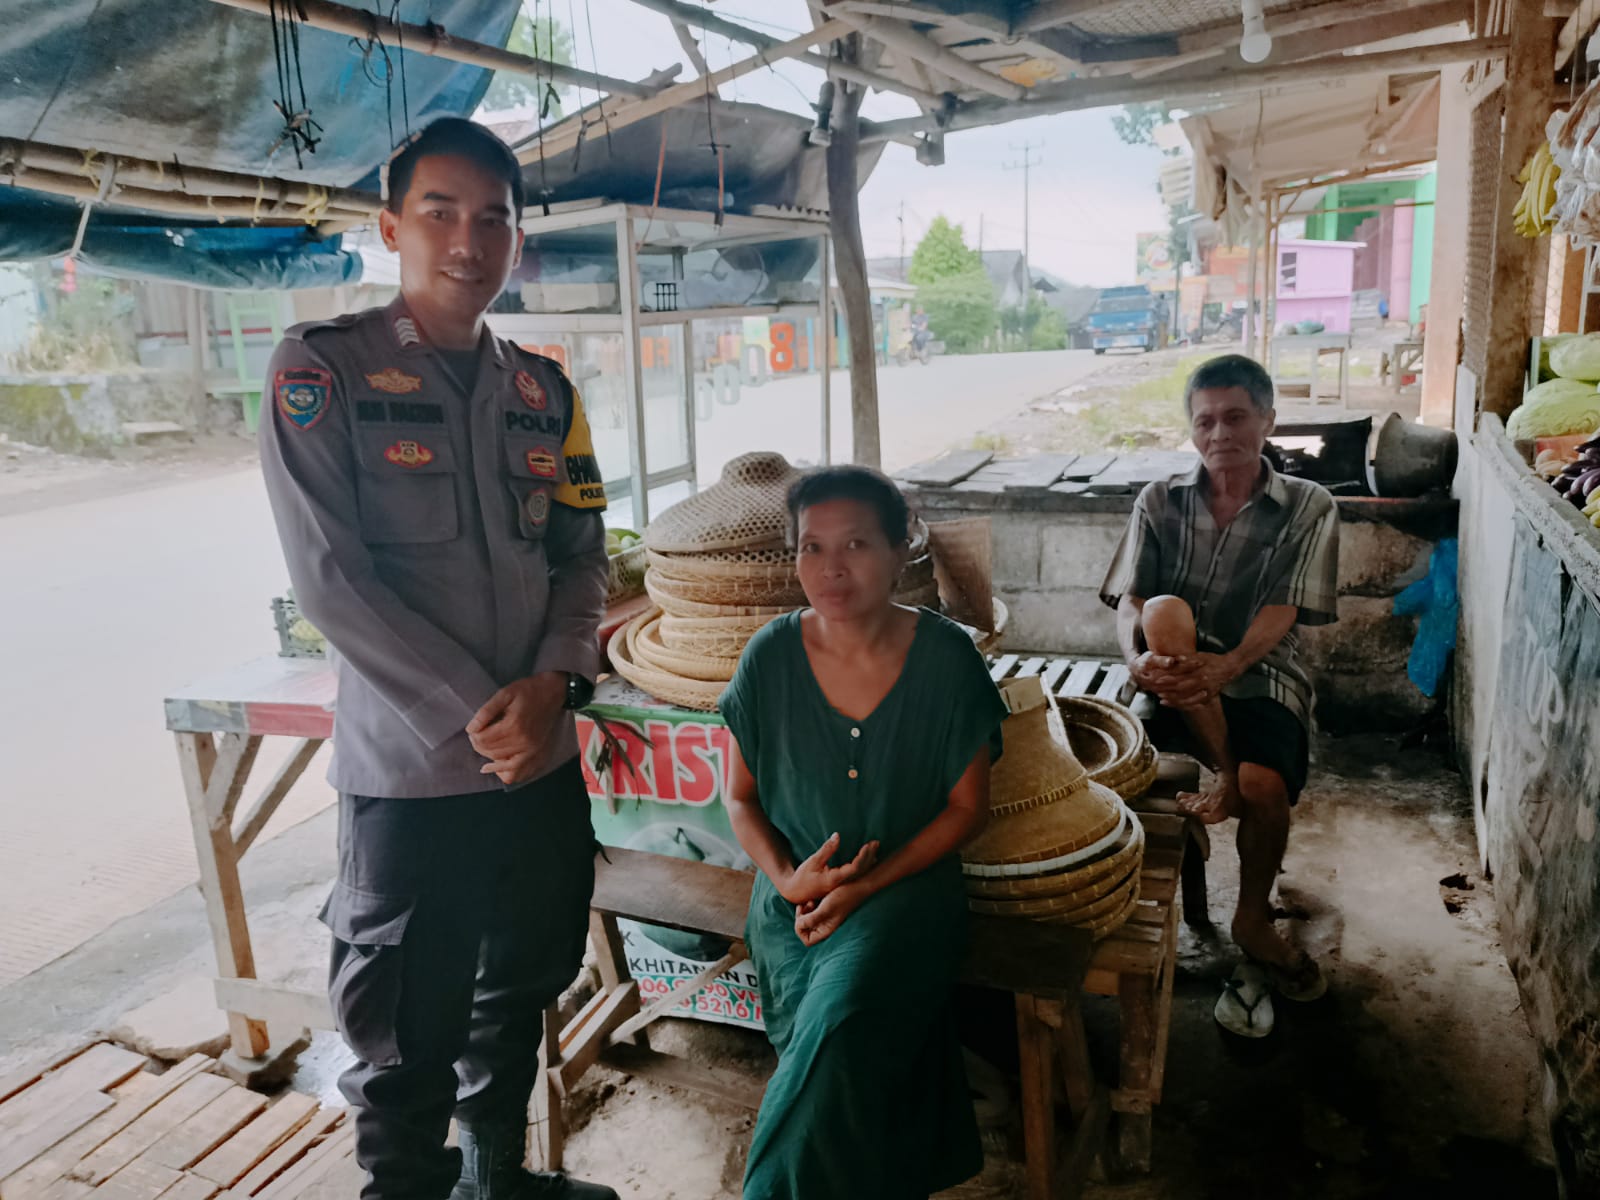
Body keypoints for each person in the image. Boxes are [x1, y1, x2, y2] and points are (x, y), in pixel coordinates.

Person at [259, 117, 618, 1200]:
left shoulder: (546, 393)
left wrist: (556, 686)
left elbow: (583, 555)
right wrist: (482, 710)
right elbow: (332, 577)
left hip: (541, 763)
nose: (469, 240)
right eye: (440, 211)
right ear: (389, 227)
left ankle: (497, 1179)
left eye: (493, 218)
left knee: (525, 979)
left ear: (517, 239)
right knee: (405, 1028)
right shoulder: (321, 369)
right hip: (414, 778)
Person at [719, 467, 1008, 1199]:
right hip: (796, 905)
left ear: (899, 548)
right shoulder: (768, 657)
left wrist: (868, 884)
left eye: (855, 544)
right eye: (811, 547)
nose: (831, 568)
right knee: (845, 1070)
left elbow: (966, 810)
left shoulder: (946, 659)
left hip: (906, 890)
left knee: (842, 1031)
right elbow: (740, 800)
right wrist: (789, 880)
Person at [1099, 354, 1339, 1033]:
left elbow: (1284, 610)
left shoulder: (1309, 505)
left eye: (1236, 417)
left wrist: (1226, 665)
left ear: (1268, 421)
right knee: (1164, 611)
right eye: (1205, 421)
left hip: (1258, 667)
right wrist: (1137, 661)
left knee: (1264, 786)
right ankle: (1223, 776)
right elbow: (1132, 601)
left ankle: (1251, 917)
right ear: (1191, 429)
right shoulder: (1160, 500)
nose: (1220, 433)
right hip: (1170, 672)